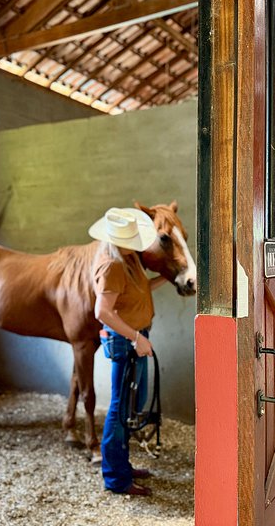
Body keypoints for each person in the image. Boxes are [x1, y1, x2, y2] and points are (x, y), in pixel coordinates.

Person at [89, 207, 167, 497]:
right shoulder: (112, 265)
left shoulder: (128, 257)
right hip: (127, 342)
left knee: (132, 404)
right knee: (120, 409)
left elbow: (139, 288)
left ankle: (121, 465)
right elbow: (103, 311)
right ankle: (116, 479)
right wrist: (136, 338)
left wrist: (167, 280)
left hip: (136, 337)